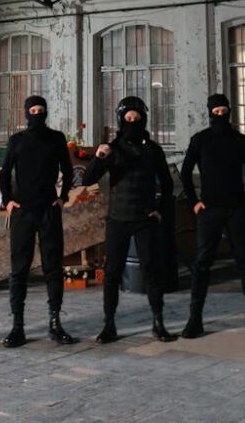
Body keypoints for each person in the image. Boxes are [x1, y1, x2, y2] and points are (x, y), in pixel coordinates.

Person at [82, 95, 175, 344]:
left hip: (144, 219)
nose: (132, 121)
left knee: (152, 271)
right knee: (112, 273)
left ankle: (158, 322)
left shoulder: (153, 150)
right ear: (121, 120)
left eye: (137, 118)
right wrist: (99, 157)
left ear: (143, 119)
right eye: (128, 118)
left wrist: (159, 210)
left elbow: (167, 184)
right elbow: (87, 180)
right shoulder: (111, 148)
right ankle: (109, 324)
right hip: (118, 219)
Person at [180, 93, 245, 339]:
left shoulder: (240, 141)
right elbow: (185, 172)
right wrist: (195, 202)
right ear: (209, 113)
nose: (220, 115)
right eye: (216, 112)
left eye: (223, 111)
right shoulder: (200, 140)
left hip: (237, 209)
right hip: (209, 210)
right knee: (202, 264)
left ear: (229, 111)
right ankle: (195, 320)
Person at [0, 95, 75, 347]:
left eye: (41, 110)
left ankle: (55, 323)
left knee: (53, 267)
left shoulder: (56, 138)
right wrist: (7, 201)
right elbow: (4, 172)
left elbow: (68, 168)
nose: (37, 113)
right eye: (33, 110)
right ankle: (17, 326)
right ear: (26, 113)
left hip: (48, 210)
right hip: (22, 212)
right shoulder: (17, 140)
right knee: (19, 269)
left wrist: (63, 197)